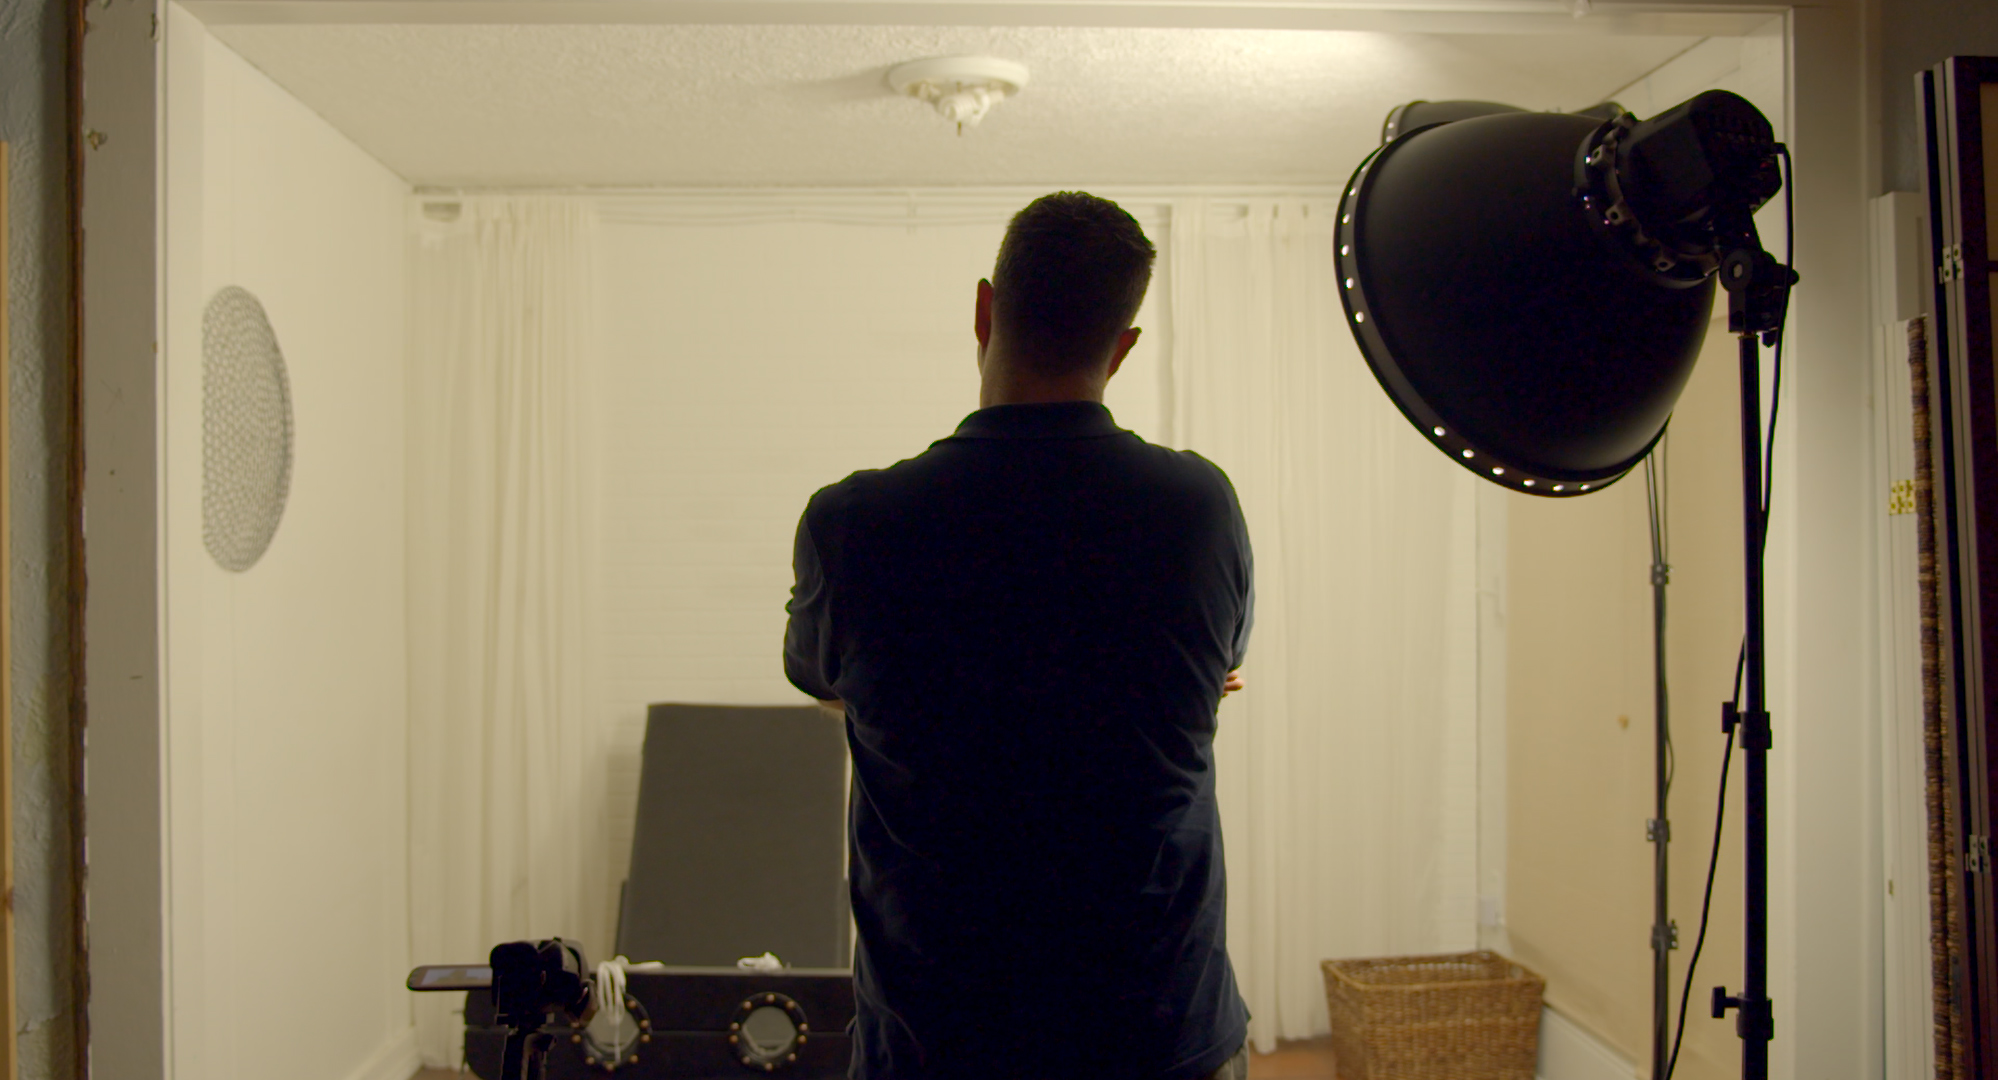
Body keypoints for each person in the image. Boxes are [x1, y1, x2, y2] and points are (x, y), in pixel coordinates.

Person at [783, 191, 1253, 1080]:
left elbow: (824, 679)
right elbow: (1216, 669)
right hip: (1154, 1029)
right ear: (1122, 348)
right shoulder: (1199, 509)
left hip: (938, 1037)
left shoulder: (854, 524)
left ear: (984, 311)